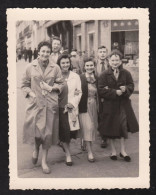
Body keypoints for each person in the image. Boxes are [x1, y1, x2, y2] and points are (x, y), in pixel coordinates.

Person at [21, 41, 64, 174]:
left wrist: (51, 88)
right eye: (43, 51)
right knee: (35, 132)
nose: (45, 54)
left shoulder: (55, 67)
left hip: (50, 104)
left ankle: (44, 161)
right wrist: (31, 93)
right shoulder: (30, 66)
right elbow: (24, 84)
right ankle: (35, 149)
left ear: (50, 53)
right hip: (35, 104)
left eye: (47, 51)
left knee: (47, 134)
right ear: (38, 52)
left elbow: (61, 83)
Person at [98, 50, 139, 162]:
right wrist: (114, 92)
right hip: (110, 105)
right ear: (109, 61)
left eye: (117, 60)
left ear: (121, 61)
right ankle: (113, 151)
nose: (115, 62)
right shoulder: (104, 75)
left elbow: (131, 85)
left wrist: (126, 89)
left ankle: (123, 151)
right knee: (111, 127)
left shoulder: (126, 73)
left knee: (123, 126)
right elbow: (101, 90)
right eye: (113, 60)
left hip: (123, 105)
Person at [57, 54, 82, 166]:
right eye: (63, 63)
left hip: (71, 108)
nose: (65, 65)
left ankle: (62, 143)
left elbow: (78, 92)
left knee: (72, 132)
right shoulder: (55, 77)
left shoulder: (75, 76)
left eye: (67, 62)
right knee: (64, 131)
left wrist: (72, 103)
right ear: (59, 64)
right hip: (60, 109)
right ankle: (68, 154)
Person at [79, 58, 98, 162]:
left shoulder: (97, 77)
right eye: (87, 65)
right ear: (84, 67)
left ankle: (84, 140)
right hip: (84, 105)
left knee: (92, 127)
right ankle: (90, 152)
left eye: (91, 65)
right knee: (88, 127)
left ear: (94, 66)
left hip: (94, 105)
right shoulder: (81, 78)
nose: (89, 67)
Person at [95, 45, 109, 148]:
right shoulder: (94, 64)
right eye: (101, 52)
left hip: (108, 92)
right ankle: (102, 133)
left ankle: (106, 135)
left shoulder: (111, 63)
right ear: (97, 53)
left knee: (107, 112)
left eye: (104, 52)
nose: (102, 53)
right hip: (97, 93)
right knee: (99, 112)